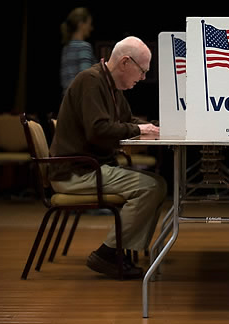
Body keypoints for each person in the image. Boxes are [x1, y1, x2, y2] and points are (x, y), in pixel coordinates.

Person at [49, 36, 167, 279]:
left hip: (88, 167)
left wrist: (157, 127)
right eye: (142, 71)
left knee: (158, 185)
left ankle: (120, 250)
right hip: (75, 173)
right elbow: (99, 130)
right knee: (151, 187)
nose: (143, 78)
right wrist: (139, 130)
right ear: (125, 62)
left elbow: (128, 122)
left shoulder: (108, 84)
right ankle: (108, 253)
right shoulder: (91, 81)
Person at [60, 7, 96, 96]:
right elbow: (86, 78)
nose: (91, 28)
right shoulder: (84, 47)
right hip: (81, 100)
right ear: (81, 24)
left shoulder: (66, 48)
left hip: (67, 100)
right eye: (89, 24)